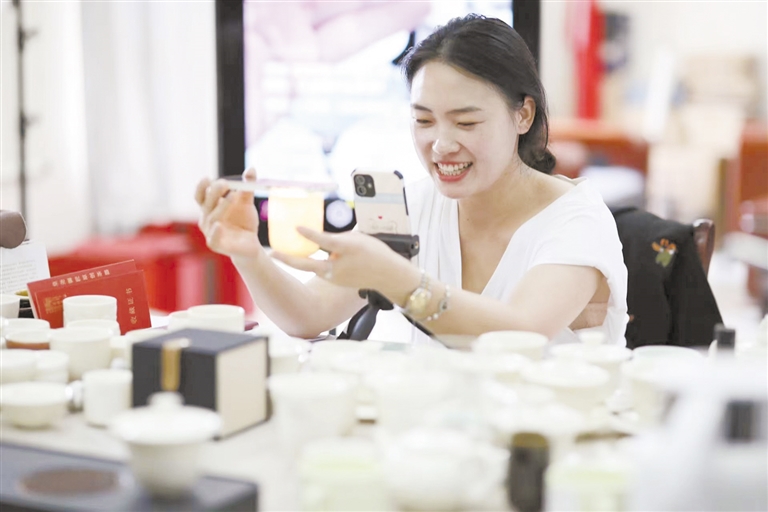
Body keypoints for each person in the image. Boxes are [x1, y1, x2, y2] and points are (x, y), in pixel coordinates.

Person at [195, 14, 628, 345]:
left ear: (523, 115)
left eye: (466, 122)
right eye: (423, 121)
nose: (441, 145)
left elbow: (519, 335)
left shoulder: (576, 220)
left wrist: (398, 279)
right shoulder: (411, 207)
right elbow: (309, 314)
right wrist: (248, 253)